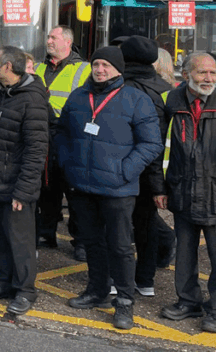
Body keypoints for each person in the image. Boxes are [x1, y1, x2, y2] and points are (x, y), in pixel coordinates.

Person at [55, 46, 161, 330]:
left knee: (120, 246)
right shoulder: (78, 97)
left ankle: (124, 301)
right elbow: (62, 132)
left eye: (106, 66)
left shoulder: (136, 99)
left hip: (118, 188)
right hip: (82, 185)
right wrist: (67, 163)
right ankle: (97, 290)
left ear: (118, 69)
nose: (100, 70)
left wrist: (124, 170)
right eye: (96, 64)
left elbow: (151, 144)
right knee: (91, 242)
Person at [155, 52, 216, 334]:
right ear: (185, 75)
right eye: (202, 73)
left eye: (213, 73)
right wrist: (158, 187)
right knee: (184, 252)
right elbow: (158, 149)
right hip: (182, 189)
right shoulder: (169, 101)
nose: (209, 78)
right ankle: (188, 301)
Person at [0, 46, 48, 315]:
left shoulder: (32, 100)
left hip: (15, 185)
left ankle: (25, 290)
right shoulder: (1, 95)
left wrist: (24, 192)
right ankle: (4, 281)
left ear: (8, 68)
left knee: (20, 241)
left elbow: (37, 150)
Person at [119, 36, 173, 297]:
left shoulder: (120, 84)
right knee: (147, 224)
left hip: (122, 165)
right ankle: (145, 279)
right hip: (155, 167)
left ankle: (117, 279)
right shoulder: (165, 88)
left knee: (118, 224)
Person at [35, 26, 91, 259]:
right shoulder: (39, 66)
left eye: (53, 38)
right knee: (46, 186)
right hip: (42, 132)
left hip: (69, 133)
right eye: (48, 37)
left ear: (67, 42)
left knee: (74, 189)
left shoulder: (84, 69)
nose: (48, 41)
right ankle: (47, 232)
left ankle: (80, 240)